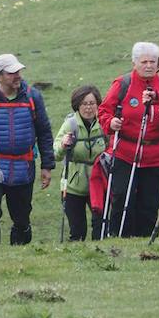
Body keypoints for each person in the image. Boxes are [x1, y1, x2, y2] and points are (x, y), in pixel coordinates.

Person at [0, 53, 54, 248]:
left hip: (24, 167)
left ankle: (20, 253)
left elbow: (44, 131)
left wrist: (47, 166)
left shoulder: (32, 97)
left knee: (21, 217)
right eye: (11, 72)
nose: (17, 75)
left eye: (18, 71)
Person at [99, 42, 159, 237]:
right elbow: (104, 110)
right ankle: (118, 235)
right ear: (134, 63)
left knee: (150, 201)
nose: (149, 65)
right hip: (125, 152)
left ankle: (145, 239)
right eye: (144, 62)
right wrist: (111, 122)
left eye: (153, 61)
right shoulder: (123, 84)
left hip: (155, 155)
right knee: (122, 196)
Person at [54, 85, 106, 241]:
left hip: (99, 183)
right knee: (77, 229)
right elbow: (55, 153)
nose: (88, 108)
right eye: (84, 104)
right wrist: (63, 144)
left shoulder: (104, 122)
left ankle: (101, 253)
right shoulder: (71, 124)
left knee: (101, 225)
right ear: (77, 105)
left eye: (92, 103)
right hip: (73, 186)